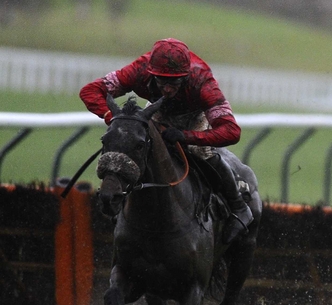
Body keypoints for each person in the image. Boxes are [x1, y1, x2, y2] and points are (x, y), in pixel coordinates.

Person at [80, 38, 253, 245]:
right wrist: (115, 119)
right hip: (158, 110)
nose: (168, 89)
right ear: (151, 74)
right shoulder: (139, 70)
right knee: (133, 143)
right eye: (162, 81)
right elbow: (90, 91)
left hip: (193, 116)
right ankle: (121, 200)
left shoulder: (202, 80)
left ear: (186, 76)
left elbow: (232, 131)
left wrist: (186, 136)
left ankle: (239, 208)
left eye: (175, 82)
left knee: (200, 152)